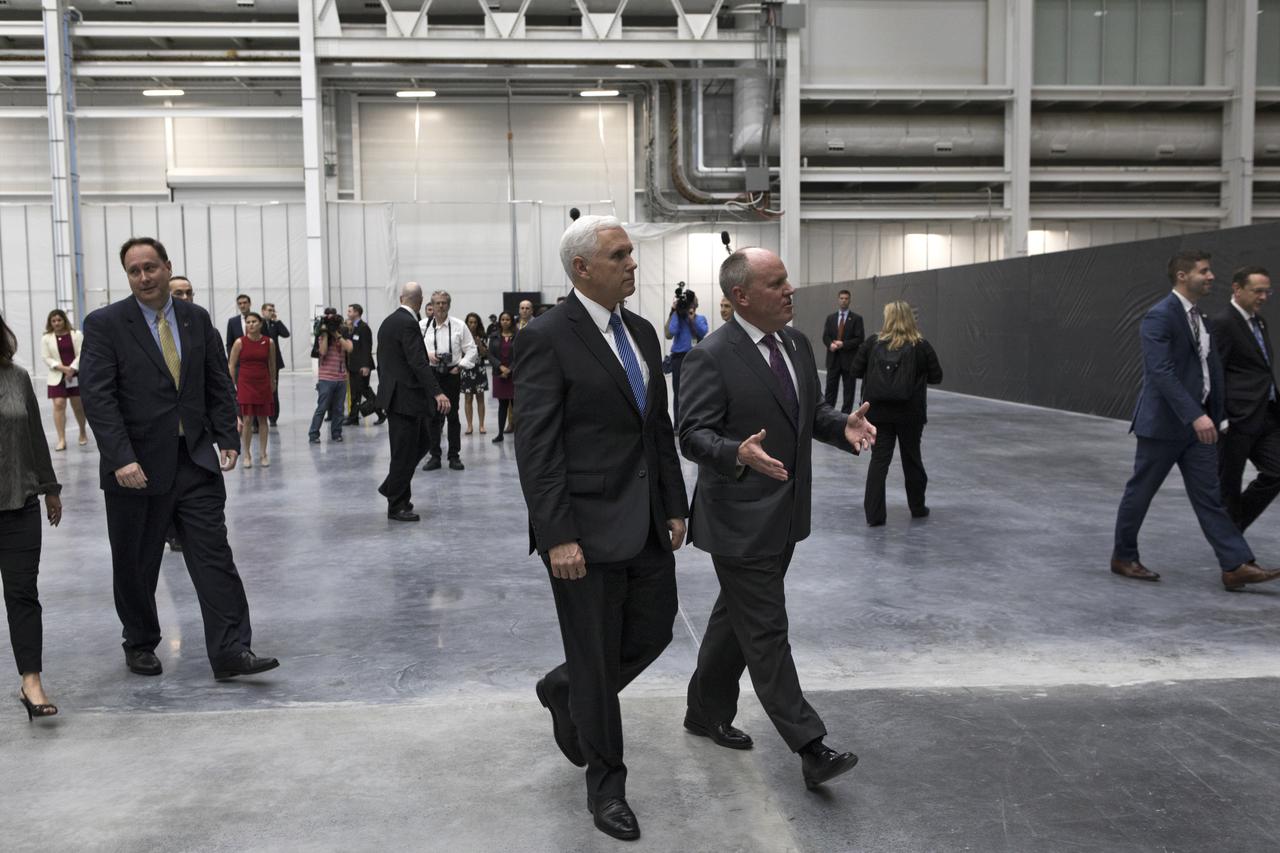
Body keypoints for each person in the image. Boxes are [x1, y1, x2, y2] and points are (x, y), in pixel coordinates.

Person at [516, 216, 688, 842]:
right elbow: (536, 447)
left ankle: (565, 690)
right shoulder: (546, 337)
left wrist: (674, 503)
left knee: (654, 629)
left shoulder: (641, 332)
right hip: (582, 532)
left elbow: (656, 430)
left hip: (644, 523)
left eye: (631, 255)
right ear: (582, 268)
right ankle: (607, 785)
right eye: (619, 256)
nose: (632, 265)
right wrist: (557, 533)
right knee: (595, 656)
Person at [678, 247, 876, 793]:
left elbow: (806, 413)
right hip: (738, 520)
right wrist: (734, 453)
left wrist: (842, 427)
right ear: (741, 296)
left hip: (786, 516)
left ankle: (704, 711)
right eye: (777, 283)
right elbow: (691, 434)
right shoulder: (711, 355)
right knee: (765, 629)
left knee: (734, 620)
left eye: (788, 280)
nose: (791, 290)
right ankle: (810, 746)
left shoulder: (795, 342)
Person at [79, 236, 279, 680]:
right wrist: (120, 458)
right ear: (127, 276)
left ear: (168, 267)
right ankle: (140, 640)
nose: (144, 277)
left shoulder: (195, 319)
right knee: (137, 561)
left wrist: (226, 435)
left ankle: (230, 650)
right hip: (137, 468)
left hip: (193, 460)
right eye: (134, 271)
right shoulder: (105, 324)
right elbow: (98, 397)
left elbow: (215, 381)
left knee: (213, 555)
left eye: (151, 267)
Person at [1110, 249, 1280, 591]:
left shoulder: (1199, 317)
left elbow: (1210, 370)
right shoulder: (1160, 316)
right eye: (1204, 271)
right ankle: (1123, 556)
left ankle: (1235, 565)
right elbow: (1161, 372)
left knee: (1210, 498)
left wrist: (1216, 417)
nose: (1211, 276)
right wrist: (1195, 415)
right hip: (1164, 427)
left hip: (1200, 428)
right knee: (1141, 492)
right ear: (1183, 276)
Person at [0, 311, 62, 720]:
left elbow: (36, 436)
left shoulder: (16, 378)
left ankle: (31, 681)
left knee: (23, 594)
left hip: (18, 502)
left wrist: (50, 488)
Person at [850, 301, 943, 526]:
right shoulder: (921, 346)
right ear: (911, 318)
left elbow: (855, 370)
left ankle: (874, 515)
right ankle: (918, 507)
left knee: (879, 461)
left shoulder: (873, 343)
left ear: (888, 318)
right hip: (910, 414)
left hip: (878, 413)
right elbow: (936, 376)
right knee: (912, 459)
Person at [1213, 266, 1280, 532]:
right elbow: (1214, 373)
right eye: (1257, 291)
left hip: (1266, 415)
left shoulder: (1259, 321)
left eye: (1267, 291)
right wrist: (1220, 417)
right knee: (1228, 485)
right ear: (1237, 289)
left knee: (1276, 472)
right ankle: (1233, 557)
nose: (1263, 297)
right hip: (1237, 419)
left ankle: (1232, 528)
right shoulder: (1223, 323)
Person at [376, 282, 449, 522]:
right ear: (419, 301)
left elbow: (389, 360)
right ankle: (396, 504)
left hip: (395, 396)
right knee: (405, 451)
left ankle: (393, 488)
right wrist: (437, 392)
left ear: (401, 297)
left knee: (417, 444)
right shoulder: (408, 323)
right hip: (406, 397)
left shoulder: (388, 322)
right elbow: (417, 362)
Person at [419, 291, 477, 472]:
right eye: (437, 303)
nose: (441, 306)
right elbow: (413, 350)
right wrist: (428, 355)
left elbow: (472, 349)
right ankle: (434, 456)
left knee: (452, 416)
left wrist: (461, 365)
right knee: (432, 417)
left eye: (444, 303)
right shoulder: (422, 326)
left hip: (452, 373)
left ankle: (454, 456)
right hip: (431, 374)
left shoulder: (459, 325)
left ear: (449, 305)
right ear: (431, 305)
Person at [227, 311, 277, 468]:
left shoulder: (269, 342)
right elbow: (232, 364)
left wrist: (273, 380)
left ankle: (263, 454)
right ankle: (247, 454)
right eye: (248, 322)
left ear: (261, 323)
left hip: (263, 383)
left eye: (254, 321)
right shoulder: (239, 342)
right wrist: (233, 383)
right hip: (245, 383)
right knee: (247, 419)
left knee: (263, 419)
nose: (251, 324)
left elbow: (272, 364)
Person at [41, 308, 88, 450]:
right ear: (50, 323)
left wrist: (72, 368)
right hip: (57, 375)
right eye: (53, 321)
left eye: (59, 320)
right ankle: (61, 439)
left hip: (75, 375)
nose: (57, 323)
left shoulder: (76, 334)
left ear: (64, 320)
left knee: (78, 406)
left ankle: (82, 432)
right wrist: (63, 368)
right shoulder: (46, 338)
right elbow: (46, 357)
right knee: (59, 405)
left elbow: (83, 352)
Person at [665, 288, 708, 424]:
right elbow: (671, 331)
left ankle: (697, 421)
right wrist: (675, 312)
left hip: (695, 356)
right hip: (679, 358)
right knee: (678, 391)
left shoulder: (700, 318)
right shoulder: (677, 317)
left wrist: (691, 319)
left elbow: (702, 332)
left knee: (697, 389)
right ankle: (678, 423)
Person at [309, 312, 353, 444]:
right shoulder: (322, 336)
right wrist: (325, 334)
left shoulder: (343, 336)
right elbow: (322, 352)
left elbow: (349, 348)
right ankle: (313, 434)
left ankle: (336, 433)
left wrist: (336, 334)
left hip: (341, 378)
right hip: (326, 378)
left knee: (339, 408)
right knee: (322, 408)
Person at [822, 289, 865, 414]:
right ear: (838, 300)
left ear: (850, 300)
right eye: (841, 298)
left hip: (849, 361)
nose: (844, 300)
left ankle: (845, 417)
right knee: (830, 390)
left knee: (849, 392)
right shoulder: (830, 318)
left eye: (846, 298)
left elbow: (860, 338)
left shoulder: (857, 319)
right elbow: (825, 336)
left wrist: (844, 344)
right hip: (833, 360)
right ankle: (828, 415)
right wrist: (830, 344)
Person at [344, 303, 381, 426]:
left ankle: (381, 411)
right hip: (354, 366)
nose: (348, 313)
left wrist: (365, 365)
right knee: (355, 393)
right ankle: (353, 417)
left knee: (364, 390)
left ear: (356, 313)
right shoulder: (353, 327)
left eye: (350, 311)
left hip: (362, 366)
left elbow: (366, 347)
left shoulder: (363, 328)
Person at [488, 312, 517, 444]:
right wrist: (501, 367)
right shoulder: (494, 336)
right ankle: (500, 433)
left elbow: (520, 354)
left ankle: (520, 434)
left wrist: (509, 368)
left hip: (514, 374)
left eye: (507, 319)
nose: (505, 321)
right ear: (500, 321)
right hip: (499, 374)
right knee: (502, 405)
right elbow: (490, 355)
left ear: (511, 321)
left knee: (516, 405)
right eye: (503, 319)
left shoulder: (518, 336)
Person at [261, 302, 290, 427]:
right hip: (261, 362)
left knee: (273, 390)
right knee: (261, 390)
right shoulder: (259, 324)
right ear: (263, 311)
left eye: (273, 310)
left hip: (274, 362)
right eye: (269, 310)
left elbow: (286, 334)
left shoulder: (275, 324)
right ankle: (260, 416)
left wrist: (277, 321)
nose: (271, 312)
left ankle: (273, 417)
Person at [461, 312, 489, 435]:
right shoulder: (461, 336)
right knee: (468, 398)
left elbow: (484, 355)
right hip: (466, 370)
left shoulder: (482, 336)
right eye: (470, 322)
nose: (472, 325)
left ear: (478, 324)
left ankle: (482, 425)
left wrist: (479, 344)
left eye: (475, 322)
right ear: (466, 323)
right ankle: (469, 425)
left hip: (479, 369)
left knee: (480, 398)